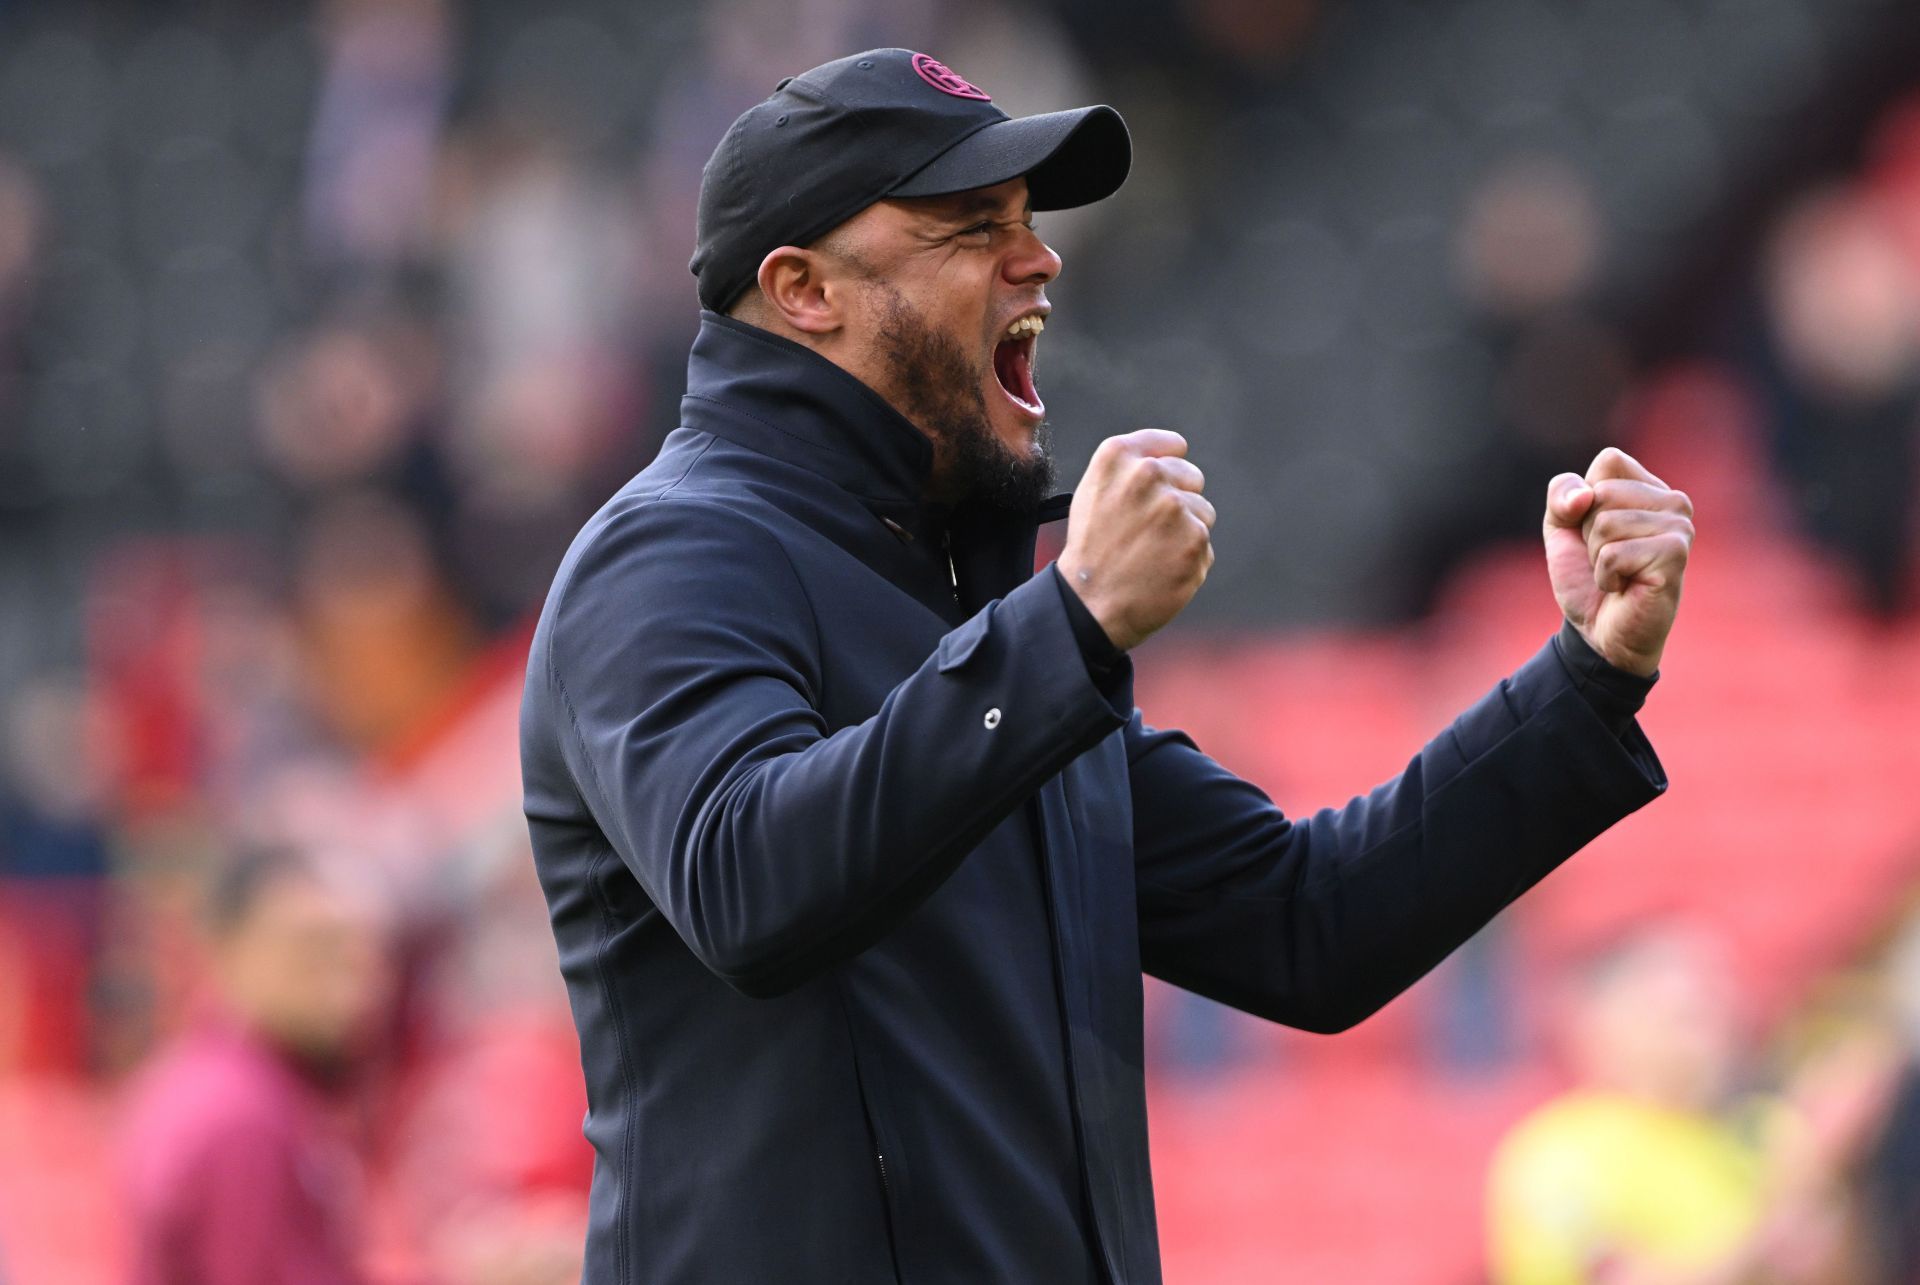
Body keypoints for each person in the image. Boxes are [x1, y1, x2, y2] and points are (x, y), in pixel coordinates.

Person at [518, 48, 1693, 1284]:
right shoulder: (672, 551)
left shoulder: (985, 620)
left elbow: (1310, 924)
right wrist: (1068, 629)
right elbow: (746, 883)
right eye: (972, 226)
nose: (1039, 259)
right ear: (806, 288)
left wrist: (1588, 677)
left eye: (1029, 223)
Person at [1486, 924, 1872, 1285]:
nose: (1714, 1028)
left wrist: (1822, 1188)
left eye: (1715, 1003)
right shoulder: (1562, 1153)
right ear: (1611, 1026)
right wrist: (1776, 1218)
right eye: (1684, 1015)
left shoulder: (1770, 1128)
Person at [119, 847, 391, 1285]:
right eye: (312, 948)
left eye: (354, 952)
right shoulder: (243, 1116)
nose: (349, 982)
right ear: (227, 950)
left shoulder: (222, 1083)